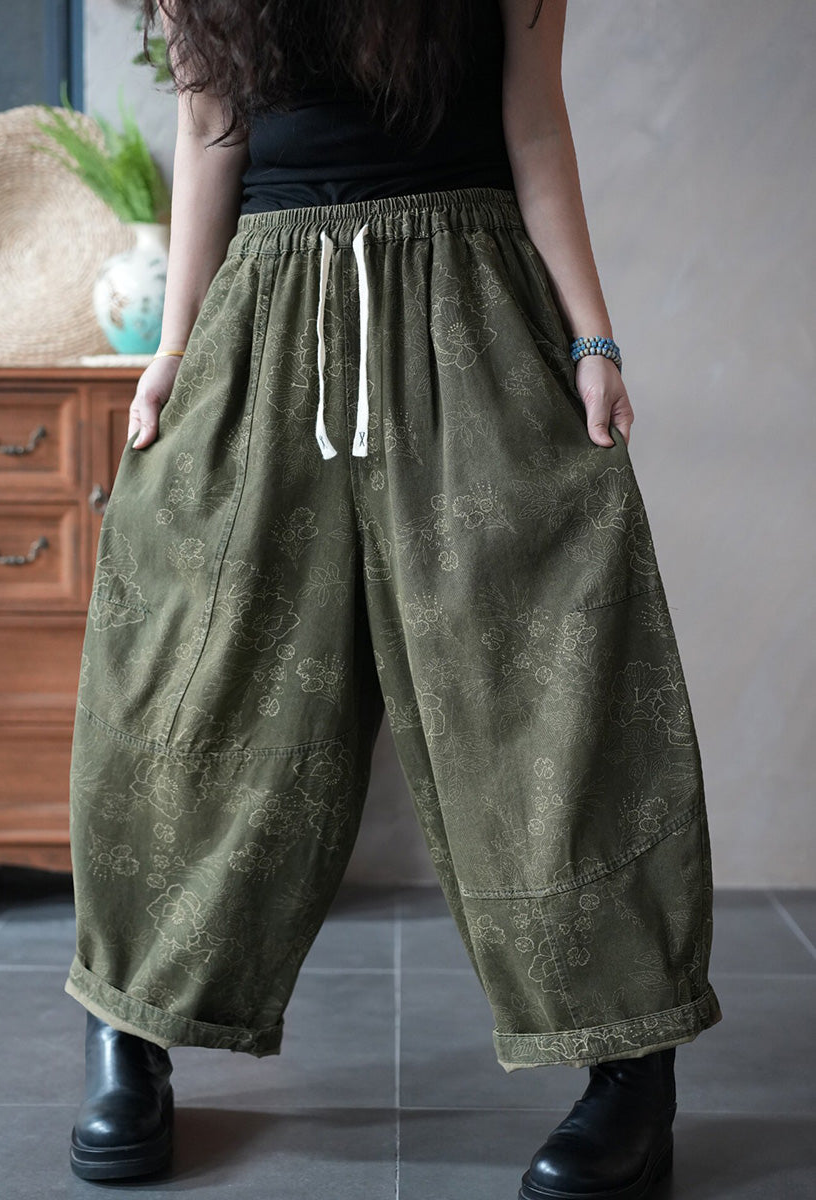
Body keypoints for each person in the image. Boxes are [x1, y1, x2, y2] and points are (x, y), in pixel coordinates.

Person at [65, 0, 723, 1194]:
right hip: (265, 314)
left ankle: (631, 1066)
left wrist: (593, 342)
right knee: (187, 676)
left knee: (551, 684)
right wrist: (174, 352)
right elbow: (211, 129)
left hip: (470, 305)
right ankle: (130, 1028)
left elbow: (535, 123)